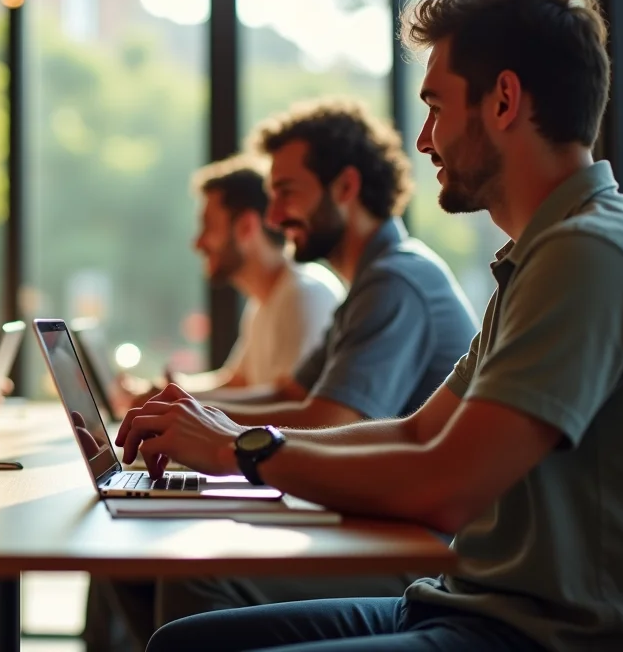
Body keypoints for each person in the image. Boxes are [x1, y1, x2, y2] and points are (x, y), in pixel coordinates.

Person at [129, 0, 623, 652]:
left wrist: (240, 448)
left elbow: (445, 485)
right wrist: (229, 440)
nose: (424, 140)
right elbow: (420, 434)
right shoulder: (541, 255)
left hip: (539, 638)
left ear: (504, 100)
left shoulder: (592, 254)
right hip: (468, 604)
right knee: (186, 642)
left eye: (437, 107)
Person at [100, 99, 480, 652]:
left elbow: (328, 419)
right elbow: (291, 396)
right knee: (140, 560)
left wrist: (218, 434)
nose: (275, 217)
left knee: (196, 569)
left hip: (415, 546)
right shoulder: (367, 287)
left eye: (287, 192)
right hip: (380, 523)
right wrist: (191, 417)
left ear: (346, 188)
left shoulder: (397, 282)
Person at [117, 155, 344, 406]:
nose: (198, 242)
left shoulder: (304, 295)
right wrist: (160, 392)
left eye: (208, 226)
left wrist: (169, 401)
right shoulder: (266, 299)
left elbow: (285, 404)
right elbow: (236, 382)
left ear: (246, 227)